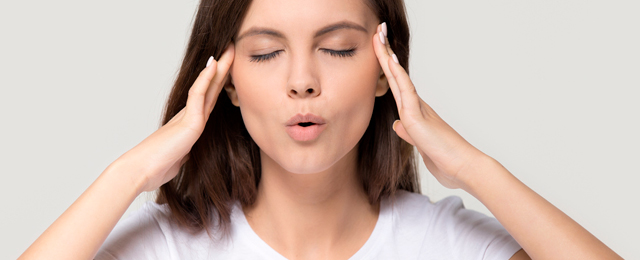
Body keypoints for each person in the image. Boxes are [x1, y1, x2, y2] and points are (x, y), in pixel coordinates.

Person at [19, 0, 622, 259]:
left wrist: (474, 170)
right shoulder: (169, 247)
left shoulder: (445, 245)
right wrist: (130, 174)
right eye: (264, 54)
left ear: (386, 72)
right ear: (225, 81)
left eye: (336, 49)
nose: (302, 81)